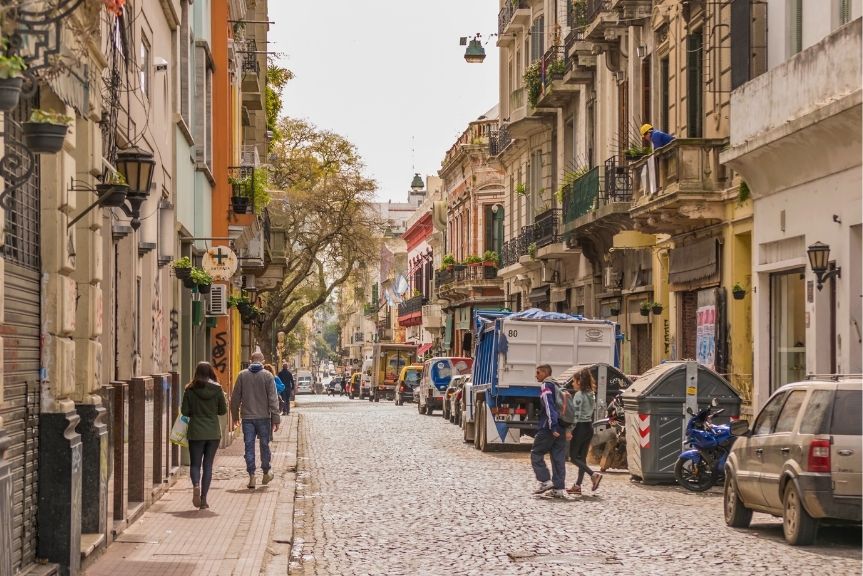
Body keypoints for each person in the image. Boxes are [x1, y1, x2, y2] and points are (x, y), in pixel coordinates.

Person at [231, 348, 281, 489]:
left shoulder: (242, 375)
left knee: (249, 446)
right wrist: (276, 418)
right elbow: (273, 399)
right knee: (264, 445)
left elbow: (235, 398)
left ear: (251, 361)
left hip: (247, 417)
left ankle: (252, 475)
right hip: (264, 417)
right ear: (263, 361)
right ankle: (266, 471)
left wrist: (235, 415)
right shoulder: (267, 376)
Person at [181, 361, 227, 509]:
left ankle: (195, 485)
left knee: (195, 464)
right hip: (213, 432)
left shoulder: (190, 390)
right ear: (211, 373)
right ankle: (204, 499)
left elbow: (185, 412)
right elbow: (222, 411)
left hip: (195, 432)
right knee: (208, 465)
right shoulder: (217, 389)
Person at [530, 364, 568, 498]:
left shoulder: (546, 386)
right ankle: (558, 488)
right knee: (558, 457)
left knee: (536, 453)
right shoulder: (558, 385)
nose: (536, 375)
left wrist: (553, 426)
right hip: (562, 427)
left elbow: (548, 406)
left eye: (538, 373)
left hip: (549, 427)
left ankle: (545, 481)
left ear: (546, 373)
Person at [567, 370, 603, 495]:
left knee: (572, 457)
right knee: (582, 458)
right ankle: (577, 485)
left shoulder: (579, 395)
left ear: (579, 381)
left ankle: (593, 475)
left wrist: (570, 430)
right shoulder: (591, 394)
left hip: (580, 428)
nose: (572, 384)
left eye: (573, 381)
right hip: (589, 427)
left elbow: (576, 415)